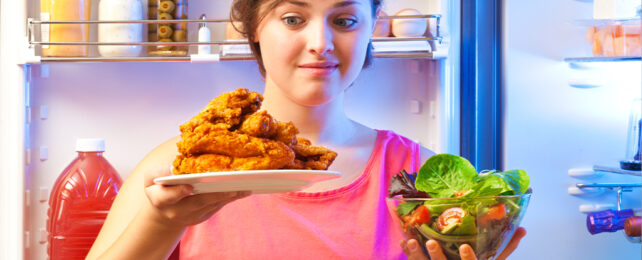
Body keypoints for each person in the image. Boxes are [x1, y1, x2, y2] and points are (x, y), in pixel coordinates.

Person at [87, 0, 526, 259]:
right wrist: (161, 221)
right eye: (293, 18)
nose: (321, 42)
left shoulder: (422, 177)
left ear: (372, 28)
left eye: (344, 20)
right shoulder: (176, 169)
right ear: (254, 28)